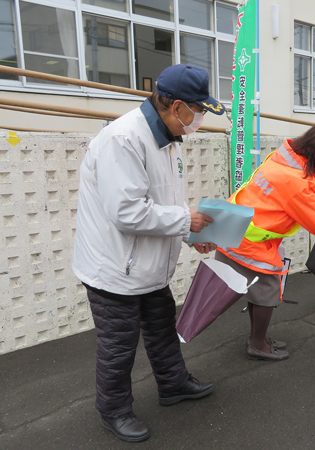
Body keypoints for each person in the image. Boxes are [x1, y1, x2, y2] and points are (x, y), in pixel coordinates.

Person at [72, 64, 225, 442]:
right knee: (118, 347)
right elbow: (127, 212)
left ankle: (173, 385)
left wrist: (191, 232)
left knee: (161, 331)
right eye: (199, 110)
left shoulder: (168, 138)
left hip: (146, 263)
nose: (200, 119)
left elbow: (165, 202)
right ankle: (114, 410)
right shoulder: (122, 139)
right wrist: (185, 220)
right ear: (177, 107)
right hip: (115, 268)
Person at [215, 124, 315, 362]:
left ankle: (259, 339)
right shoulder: (297, 182)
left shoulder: (279, 159)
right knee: (267, 293)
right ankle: (257, 344)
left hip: (236, 230)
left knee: (258, 291)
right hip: (251, 243)